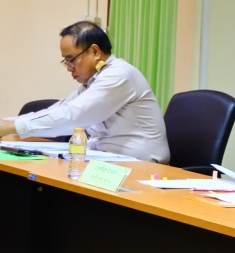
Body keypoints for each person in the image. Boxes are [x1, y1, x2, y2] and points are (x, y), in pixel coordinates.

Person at [0, 21, 169, 163]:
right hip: (108, 161)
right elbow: (59, 110)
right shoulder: (94, 80)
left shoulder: (119, 75)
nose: (69, 68)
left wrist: (12, 126)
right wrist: (7, 124)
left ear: (95, 51)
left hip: (141, 166)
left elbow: (73, 117)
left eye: (71, 60)